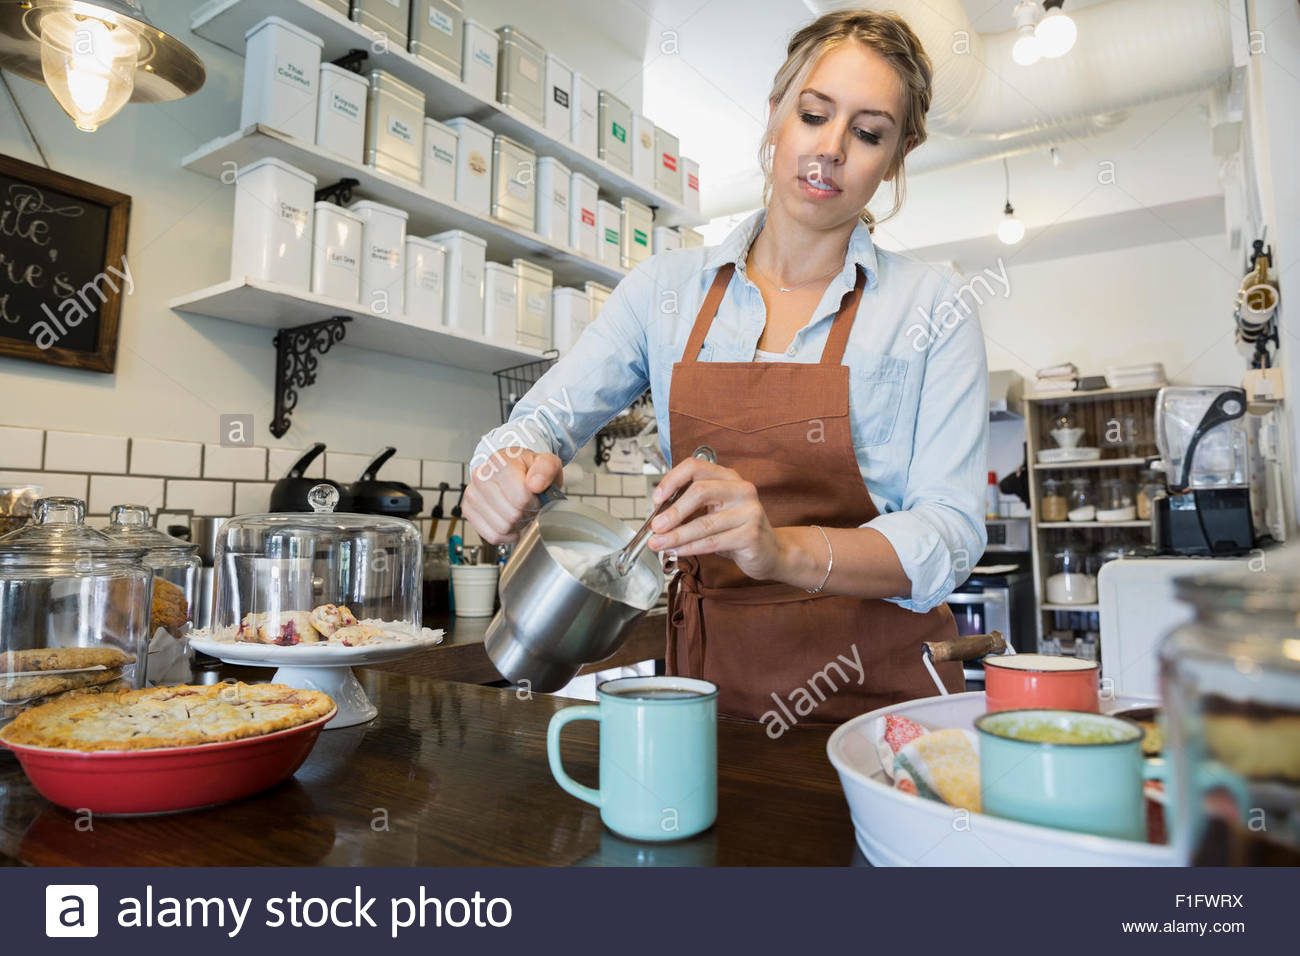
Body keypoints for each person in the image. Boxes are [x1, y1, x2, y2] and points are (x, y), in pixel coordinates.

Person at [466, 9, 989, 726]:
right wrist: (500, 469)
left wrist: (781, 552)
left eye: (868, 133)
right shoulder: (664, 291)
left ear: (897, 156)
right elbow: (538, 426)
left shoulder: (934, 307)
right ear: (776, 115)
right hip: (712, 695)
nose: (830, 149)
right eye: (813, 114)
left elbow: (951, 536)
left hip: (885, 706)